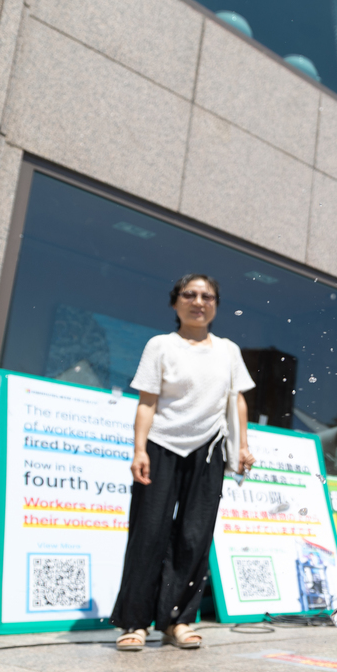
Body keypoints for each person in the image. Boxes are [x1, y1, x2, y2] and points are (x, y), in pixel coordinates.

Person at [113, 275, 255, 651]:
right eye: (189, 295)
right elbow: (147, 401)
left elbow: (237, 400)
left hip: (208, 448)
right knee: (148, 533)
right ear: (175, 302)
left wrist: (242, 445)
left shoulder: (228, 350)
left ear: (215, 305)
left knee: (194, 537)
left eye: (207, 296)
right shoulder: (160, 345)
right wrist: (139, 450)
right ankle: (135, 623)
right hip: (160, 446)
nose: (198, 301)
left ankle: (177, 621)